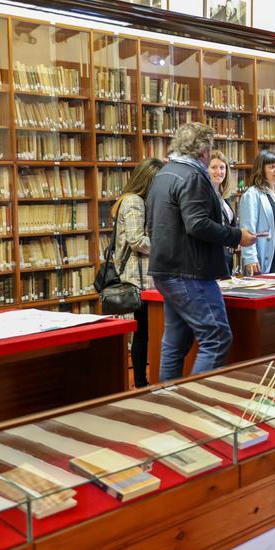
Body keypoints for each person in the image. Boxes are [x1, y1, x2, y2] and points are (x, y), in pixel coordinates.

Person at [147, 124, 255, 379]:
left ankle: (169, 401)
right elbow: (197, 224)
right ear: (204, 149)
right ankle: (196, 400)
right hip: (190, 272)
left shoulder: (164, 174)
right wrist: (236, 235)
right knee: (217, 337)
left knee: (175, 342)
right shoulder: (193, 176)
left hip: (166, 269)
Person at [109, 158, 163, 388]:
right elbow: (136, 240)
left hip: (144, 276)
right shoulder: (133, 201)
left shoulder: (137, 201)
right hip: (137, 277)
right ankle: (140, 381)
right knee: (143, 331)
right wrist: (166, 245)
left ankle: (143, 379)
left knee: (146, 330)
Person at [209, 149, 239, 273]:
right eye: (214, 167)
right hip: (211, 260)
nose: (219, 172)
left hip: (226, 258)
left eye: (222, 168)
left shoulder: (223, 197)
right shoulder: (203, 196)